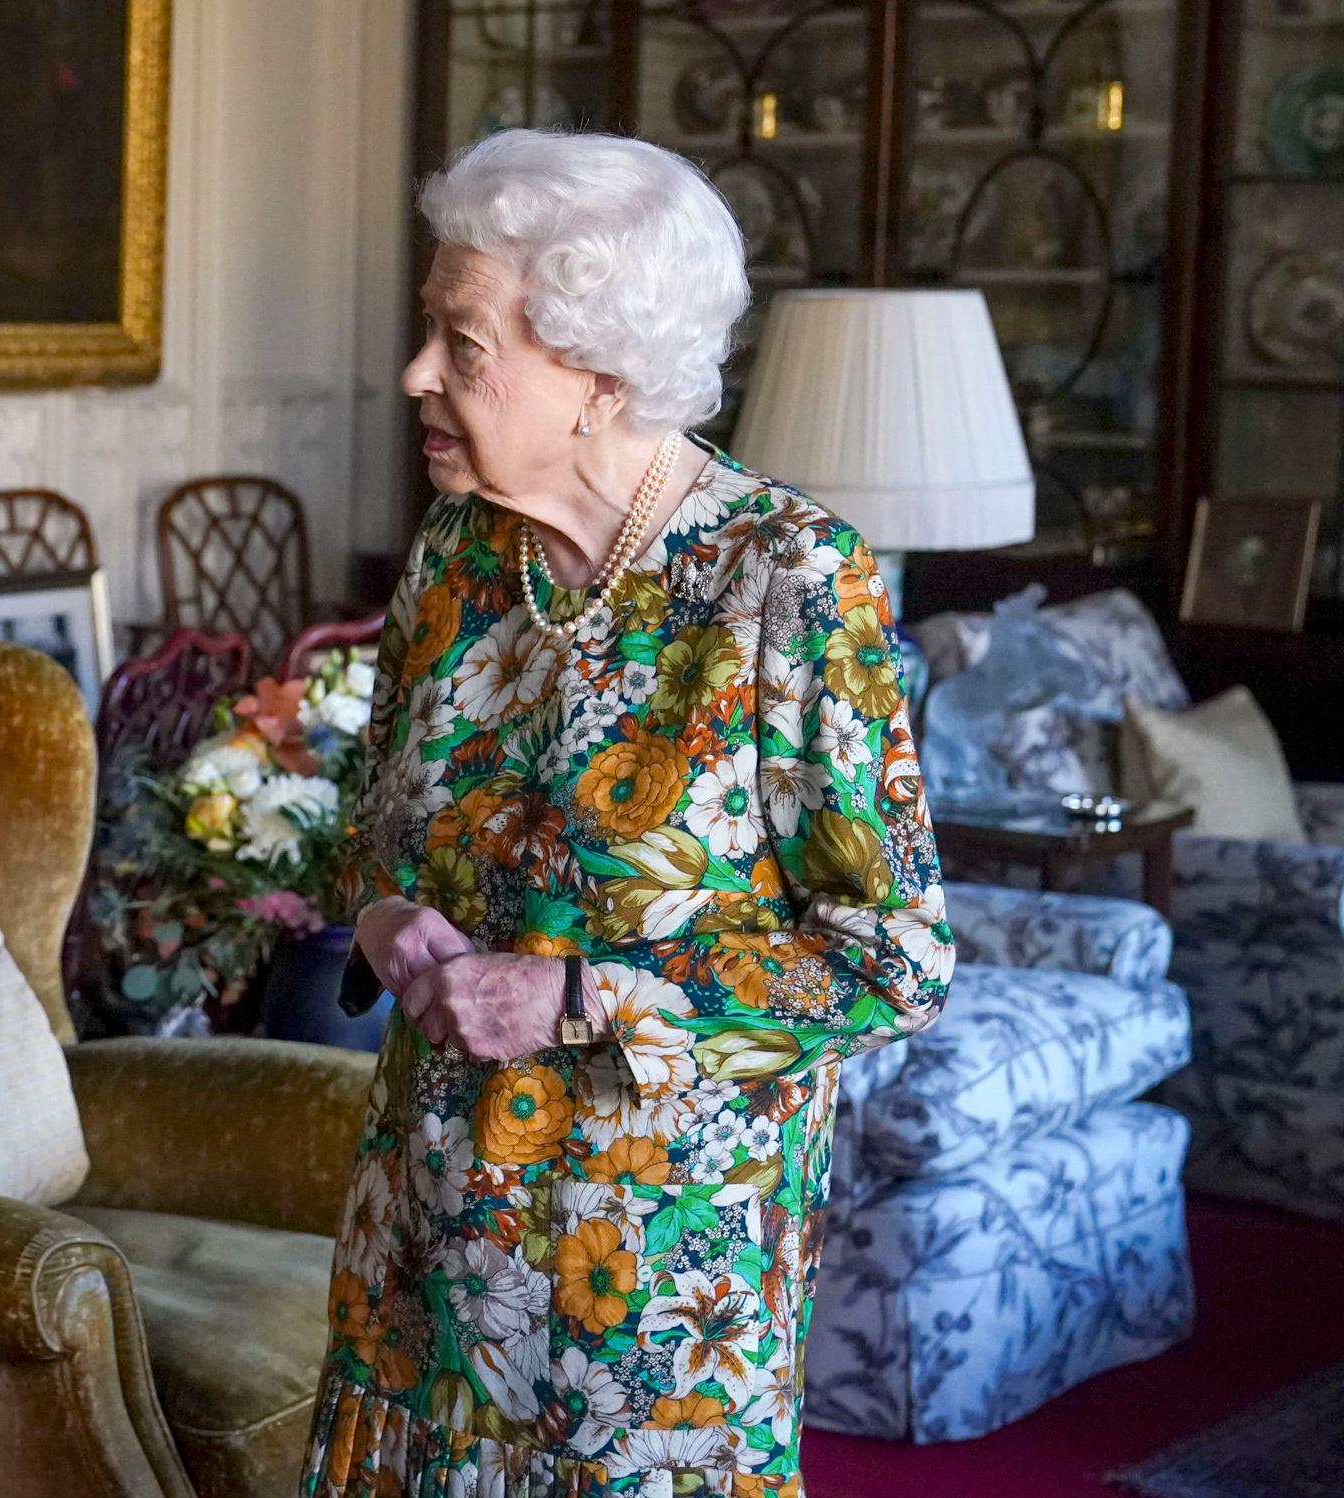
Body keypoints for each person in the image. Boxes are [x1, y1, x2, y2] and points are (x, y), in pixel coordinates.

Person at [305, 128, 953, 1498]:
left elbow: (890, 959)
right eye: (431, 327)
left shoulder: (785, 583)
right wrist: (381, 918)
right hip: (422, 1246)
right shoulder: (458, 554)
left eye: (461, 340)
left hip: (652, 1296)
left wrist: (577, 1000)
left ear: (598, 375)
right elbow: (376, 833)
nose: (417, 372)